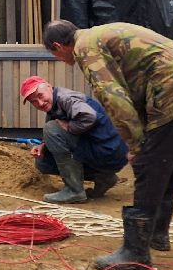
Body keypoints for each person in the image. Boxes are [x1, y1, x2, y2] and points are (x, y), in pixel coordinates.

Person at [42, 19, 173, 270]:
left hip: (172, 84)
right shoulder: (97, 35)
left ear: (58, 46)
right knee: (168, 161)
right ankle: (157, 234)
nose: (59, 59)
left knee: (149, 164)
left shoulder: (86, 49)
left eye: (55, 55)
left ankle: (135, 251)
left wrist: (135, 146)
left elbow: (115, 99)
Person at [19, 75, 129, 204]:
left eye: (40, 96)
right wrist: (43, 145)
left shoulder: (66, 98)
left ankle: (74, 191)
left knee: (51, 128)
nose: (40, 103)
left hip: (108, 151)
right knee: (43, 162)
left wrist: (69, 126)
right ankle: (104, 178)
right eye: (34, 101)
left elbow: (89, 117)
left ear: (49, 87)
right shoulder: (54, 105)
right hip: (103, 151)